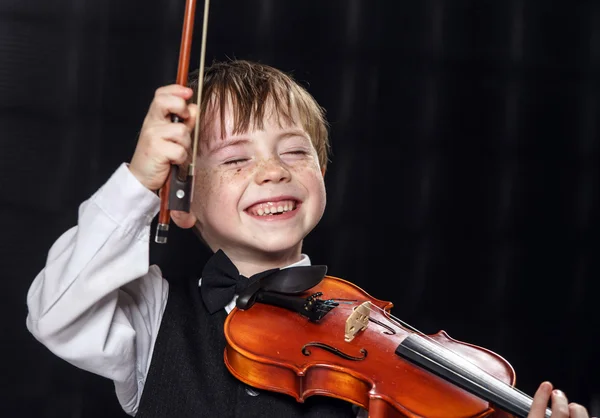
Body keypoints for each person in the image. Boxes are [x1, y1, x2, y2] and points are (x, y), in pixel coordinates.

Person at [26, 60, 591, 418]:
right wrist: (137, 182)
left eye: (295, 150)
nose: (272, 170)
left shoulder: (368, 338)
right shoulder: (152, 321)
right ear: (183, 204)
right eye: (235, 158)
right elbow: (55, 312)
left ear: (322, 173)